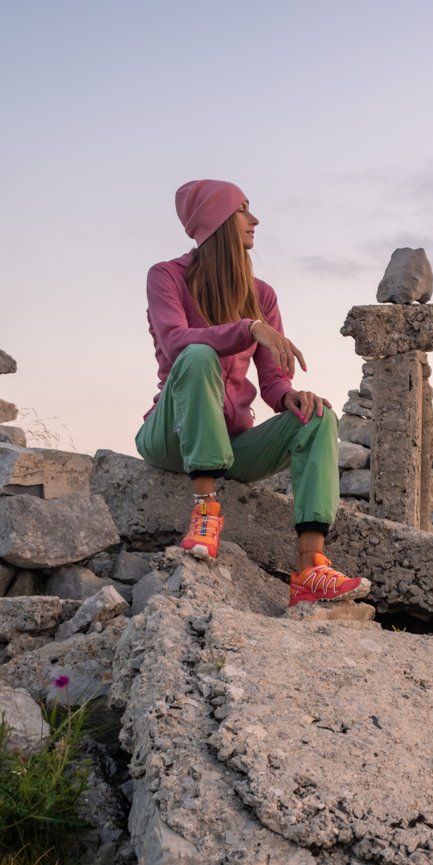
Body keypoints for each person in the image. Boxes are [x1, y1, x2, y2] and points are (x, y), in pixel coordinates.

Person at [135, 179, 370, 608]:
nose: (255, 219)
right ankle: (205, 512)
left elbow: (273, 381)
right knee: (198, 354)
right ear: (218, 220)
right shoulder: (165, 276)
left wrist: (290, 398)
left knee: (319, 417)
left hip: (233, 446)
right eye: (243, 209)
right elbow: (175, 343)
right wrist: (247, 328)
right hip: (170, 435)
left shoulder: (262, 295)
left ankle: (310, 566)